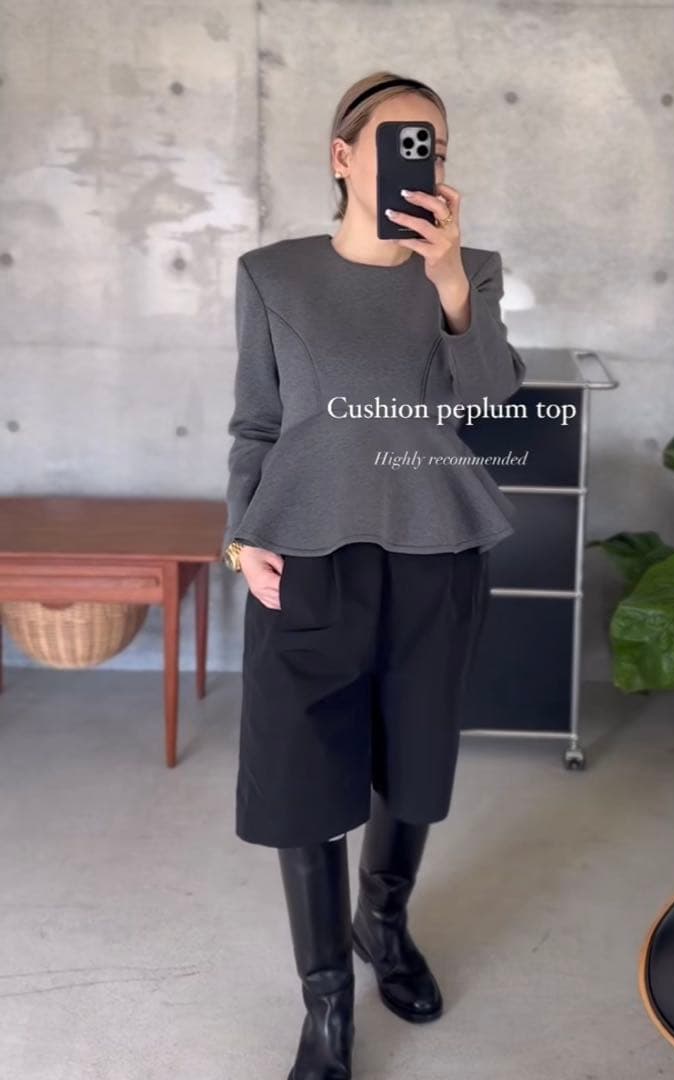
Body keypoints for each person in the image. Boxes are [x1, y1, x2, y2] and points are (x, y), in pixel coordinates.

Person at [221, 70, 525, 1080]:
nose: (417, 159)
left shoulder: (469, 271)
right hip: (306, 555)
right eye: (399, 140)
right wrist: (240, 534)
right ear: (344, 156)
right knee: (302, 778)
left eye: (432, 144)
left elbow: (488, 399)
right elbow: (257, 424)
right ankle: (327, 1005)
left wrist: (449, 286)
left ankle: (382, 924)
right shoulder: (272, 275)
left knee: (416, 764)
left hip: (435, 554)